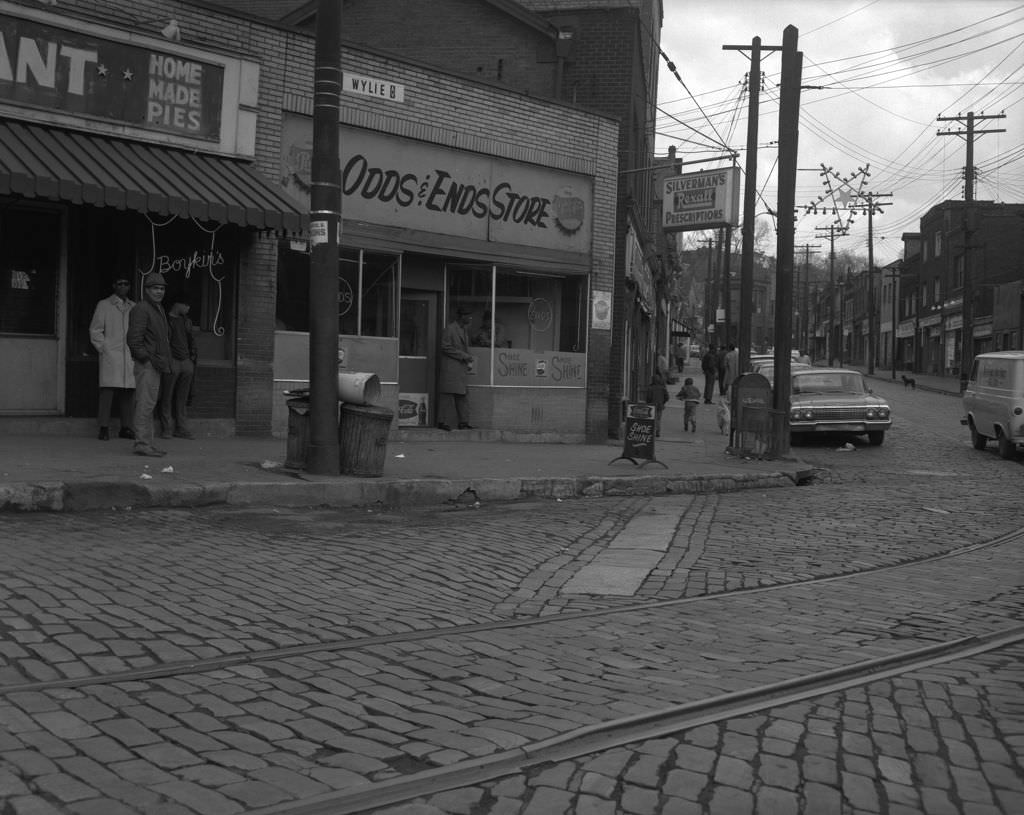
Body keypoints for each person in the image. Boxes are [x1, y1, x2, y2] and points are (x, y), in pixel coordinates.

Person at [126, 272, 172, 456]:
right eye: (155, 288)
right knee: (145, 403)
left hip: (156, 363)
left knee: (149, 403)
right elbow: (134, 339)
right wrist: (146, 358)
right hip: (148, 364)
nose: (159, 291)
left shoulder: (157, 309)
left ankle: (146, 442)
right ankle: (142, 444)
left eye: (162, 288)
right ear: (146, 290)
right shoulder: (142, 309)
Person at [89, 277, 136, 441]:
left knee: (128, 392)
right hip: (112, 353)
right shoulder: (104, 305)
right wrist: (104, 348)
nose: (123, 286)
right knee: (107, 391)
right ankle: (103, 427)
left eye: (126, 283)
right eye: (120, 283)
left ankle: (126, 427)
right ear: (114, 285)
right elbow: (95, 330)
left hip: (129, 354)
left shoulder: (133, 307)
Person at [159, 294, 197, 440]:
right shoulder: (165, 320)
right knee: (167, 396)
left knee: (182, 397)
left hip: (186, 361)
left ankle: (181, 428)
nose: (188, 308)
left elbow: (191, 340)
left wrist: (191, 358)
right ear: (178, 304)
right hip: (172, 361)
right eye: (186, 305)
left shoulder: (186, 321)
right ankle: (167, 429)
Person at [438, 305, 475, 431]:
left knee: (462, 395)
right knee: (447, 396)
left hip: (460, 368)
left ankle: (463, 422)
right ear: (461, 316)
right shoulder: (450, 329)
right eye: (468, 315)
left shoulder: (463, 329)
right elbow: (445, 346)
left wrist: (467, 359)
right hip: (451, 368)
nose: (470, 318)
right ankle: (442, 422)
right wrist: (464, 356)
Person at [645, 370, 669, 437]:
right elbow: (667, 397)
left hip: (651, 405)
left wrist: (648, 403)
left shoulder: (650, 388)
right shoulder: (663, 388)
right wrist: (663, 402)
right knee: (658, 419)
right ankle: (657, 431)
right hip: (659, 405)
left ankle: (651, 431)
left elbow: (648, 397)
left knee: (651, 419)